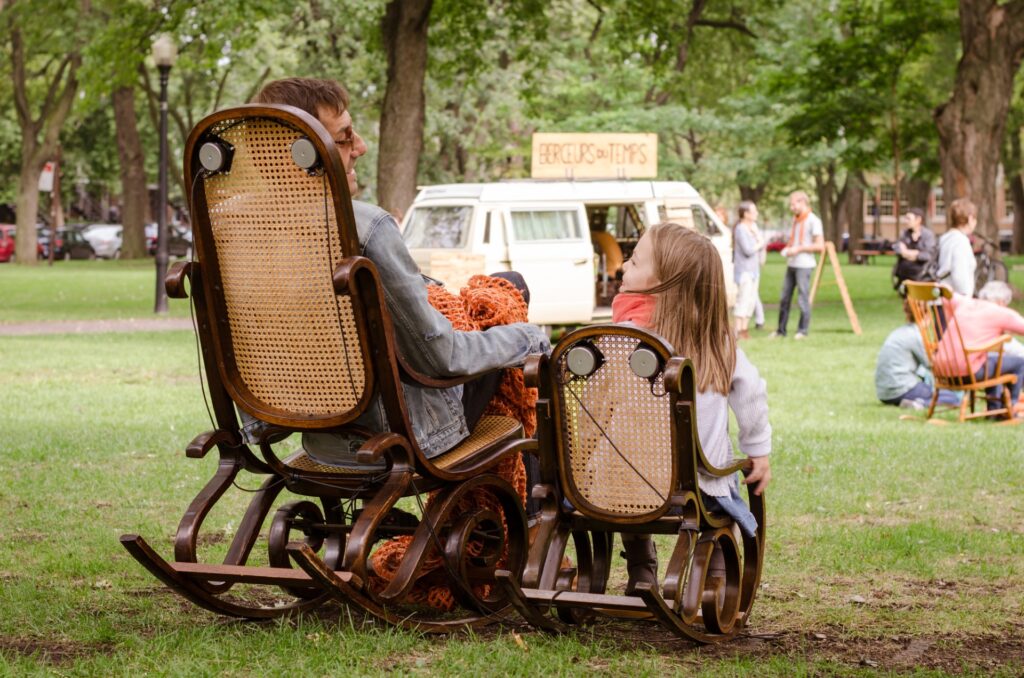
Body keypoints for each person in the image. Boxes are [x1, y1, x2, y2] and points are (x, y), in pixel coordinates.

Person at [247, 77, 551, 466]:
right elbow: (438, 357)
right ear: (301, 154)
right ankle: (526, 498)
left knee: (502, 290)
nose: (361, 147)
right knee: (511, 300)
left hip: (318, 439)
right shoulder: (364, 229)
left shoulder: (236, 231)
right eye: (345, 138)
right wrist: (530, 338)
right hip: (403, 436)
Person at [611, 222, 772, 594]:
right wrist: (757, 450)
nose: (623, 267)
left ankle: (641, 569)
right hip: (696, 487)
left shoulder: (618, 338)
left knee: (625, 471)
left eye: (634, 262)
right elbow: (751, 393)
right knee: (721, 495)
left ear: (662, 282)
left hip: (621, 487)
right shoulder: (717, 342)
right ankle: (716, 572)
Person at [932, 291, 1024, 414]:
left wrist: (949, 318)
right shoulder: (1000, 312)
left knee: (993, 361)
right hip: (966, 371)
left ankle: (994, 409)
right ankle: (1010, 408)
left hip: (941, 370)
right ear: (1001, 302)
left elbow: (946, 296)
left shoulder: (965, 304)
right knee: (1020, 363)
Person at [875, 300, 960, 410]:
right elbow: (932, 364)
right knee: (952, 397)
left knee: (933, 389)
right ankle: (920, 403)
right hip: (902, 390)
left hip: (884, 394)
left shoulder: (898, 332)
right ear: (928, 315)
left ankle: (915, 400)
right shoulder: (917, 336)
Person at [772, 191, 824, 339]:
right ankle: (781, 330)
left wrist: (799, 249)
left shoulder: (813, 221)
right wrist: (789, 250)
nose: (791, 207)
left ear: (802, 202)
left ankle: (802, 330)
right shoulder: (795, 220)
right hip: (792, 264)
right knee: (784, 298)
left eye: (793, 204)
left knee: (803, 298)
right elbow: (793, 241)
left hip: (804, 265)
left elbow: (820, 246)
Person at [732, 200, 765, 339]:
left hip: (754, 271)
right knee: (743, 300)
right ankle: (737, 330)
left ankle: (744, 329)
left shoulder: (753, 228)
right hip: (744, 271)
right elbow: (748, 250)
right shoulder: (740, 229)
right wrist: (760, 243)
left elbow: (760, 245)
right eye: (753, 211)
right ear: (746, 214)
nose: (756, 213)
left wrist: (758, 237)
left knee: (751, 301)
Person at [936, 197, 977, 297]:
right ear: (970, 218)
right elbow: (959, 276)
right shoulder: (960, 242)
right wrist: (967, 298)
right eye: (975, 218)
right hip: (954, 300)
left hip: (942, 296)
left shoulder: (945, 239)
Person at [892, 207, 937, 289]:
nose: (906, 221)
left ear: (918, 220)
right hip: (903, 272)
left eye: (908, 219)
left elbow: (928, 255)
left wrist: (908, 253)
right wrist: (914, 253)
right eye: (905, 218)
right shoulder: (904, 233)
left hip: (921, 273)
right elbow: (897, 249)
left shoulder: (928, 235)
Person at [977, 281, 1024, 359]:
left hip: (972, 353)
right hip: (991, 352)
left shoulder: (974, 309)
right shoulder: (999, 312)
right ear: (1001, 302)